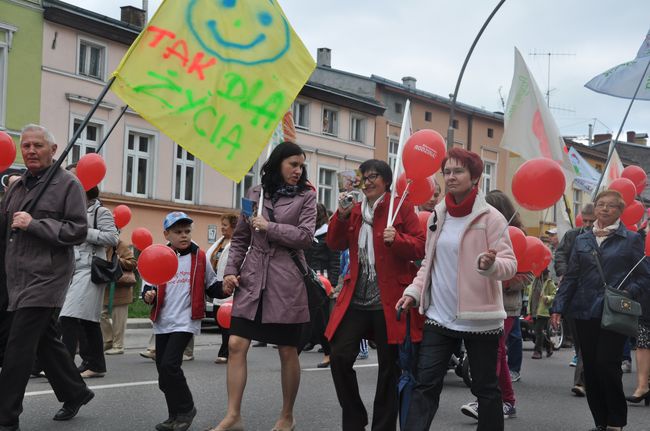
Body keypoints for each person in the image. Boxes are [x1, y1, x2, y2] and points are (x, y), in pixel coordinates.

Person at [396, 147, 517, 431]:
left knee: (486, 389)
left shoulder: (491, 218)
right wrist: (413, 292)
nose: (451, 177)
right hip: (439, 315)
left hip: (480, 319)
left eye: (458, 171)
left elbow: (510, 265)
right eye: (447, 171)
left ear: (475, 177)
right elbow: (429, 260)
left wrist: (490, 265)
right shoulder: (438, 215)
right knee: (425, 385)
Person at [210, 142, 316, 431]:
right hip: (253, 278)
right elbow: (241, 239)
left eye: (301, 165)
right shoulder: (254, 194)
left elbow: (306, 236)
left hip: (285, 279)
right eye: (293, 164)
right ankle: (233, 416)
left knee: (286, 349)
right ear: (278, 162)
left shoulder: (307, 195)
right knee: (235, 344)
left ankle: (287, 416)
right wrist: (230, 272)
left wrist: (271, 227)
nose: (298, 170)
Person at [0, 124, 94, 430]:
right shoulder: (17, 186)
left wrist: (35, 224)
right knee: (44, 341)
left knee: (18, 346)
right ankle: (75, 392)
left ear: (53, 150)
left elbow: (77, 230)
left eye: (37, 145)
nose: (30, 151)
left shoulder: (69, 185)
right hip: (15, 276)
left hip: (47, 276)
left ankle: (6, 417)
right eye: (25, 146)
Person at [325, 159, 425, 431]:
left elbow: (420, 247)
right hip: (356, 300)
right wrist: (340, 216)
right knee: (340, 356)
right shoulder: (355, 210)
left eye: (373, 177)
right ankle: (355, 419)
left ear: (386, 181)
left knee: (389, 369)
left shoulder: (399, 207)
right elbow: (334, 243)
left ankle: (383, 427)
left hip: (389, 301)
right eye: (364, 177)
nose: (367, 182)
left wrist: (398, 239)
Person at [551, 189, 650, 431]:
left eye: (611, 206)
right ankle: (600, 422)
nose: (604, 209)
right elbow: (572, 276)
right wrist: (558, 307)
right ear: (594, 208)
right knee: (592, 370)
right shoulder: (582, 239)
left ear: (621, 211)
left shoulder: (631, 239)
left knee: (607, 364)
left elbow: (644, 276)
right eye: (600, 204)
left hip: (614, 311)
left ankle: (615, 422)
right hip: (583, 311)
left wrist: (627, 292)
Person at [142, 211, 218, 431]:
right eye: (178, 232)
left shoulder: (199, 257)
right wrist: (149, 295)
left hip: (185, 320)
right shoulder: (159, 255)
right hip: (163, 320)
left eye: (187, 231)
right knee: (163, 374)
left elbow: (212, 285)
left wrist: (228, 287)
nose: (184, 236)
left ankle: (186, 410)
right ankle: (173, 415)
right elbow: (148, 286)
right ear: (167, 234)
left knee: (169, 366)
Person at [460, 189, 532, 421]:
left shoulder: (517, 234)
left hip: (507, 305)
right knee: (497, 352)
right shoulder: (478, 231)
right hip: (482, 300)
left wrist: (503, 278)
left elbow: (528, 274)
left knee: (497, 350)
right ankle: (505, 401)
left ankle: (492, 401)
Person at [58, 181, 119, 378]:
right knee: (88, 320)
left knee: (68, 316)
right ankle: (96, 364)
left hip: (91, 269)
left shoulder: (101, 211)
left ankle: (63, 368)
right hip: (73, 269)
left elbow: (112, 238)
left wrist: (83, 232)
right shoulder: (72, 211)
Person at [554, 202, 596, 396]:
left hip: (595, 296)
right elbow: (560, 255)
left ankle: (581, 381)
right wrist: (562, 272)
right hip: (573, 295)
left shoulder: (601, 238)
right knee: (580, 342)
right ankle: (589, 377)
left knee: (589, 342)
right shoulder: (572, 236)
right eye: (585, 220)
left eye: (591, 221)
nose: (587, 224)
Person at [304, 203, 340, 368]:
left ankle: (329, 353)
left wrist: (332, 283)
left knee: (320, 319)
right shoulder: (307, 232)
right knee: (308, 317)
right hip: (308, 277)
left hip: (322, 279)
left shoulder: (329, 232)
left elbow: (335, 260)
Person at [207, 212, 238, 364]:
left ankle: (225, 352)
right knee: (218, 317)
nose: (222, 228)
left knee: (228, 321)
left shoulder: (238, 243)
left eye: (225, 225)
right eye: (222, 225)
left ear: (233, 227)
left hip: (231, 286)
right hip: (217, 285)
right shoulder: (220, 242)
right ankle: (231, 348)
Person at [100, 238, 138, 355]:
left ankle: (118, 345)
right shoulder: (98, 244)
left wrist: (117, 260)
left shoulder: (120, 244)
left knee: (119, 320)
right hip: (105, 287)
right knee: (100, 314)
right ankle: (108, 340)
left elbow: (132, 263)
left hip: (121, 289)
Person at [528, 269, 556, 359]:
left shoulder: (548, 282)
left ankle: (537, 351)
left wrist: (546, 298)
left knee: (538, 331)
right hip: (534, 311)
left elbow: (554, 295)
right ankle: (549, 346)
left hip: (543, 312)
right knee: (539, 332)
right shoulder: (534, 281)